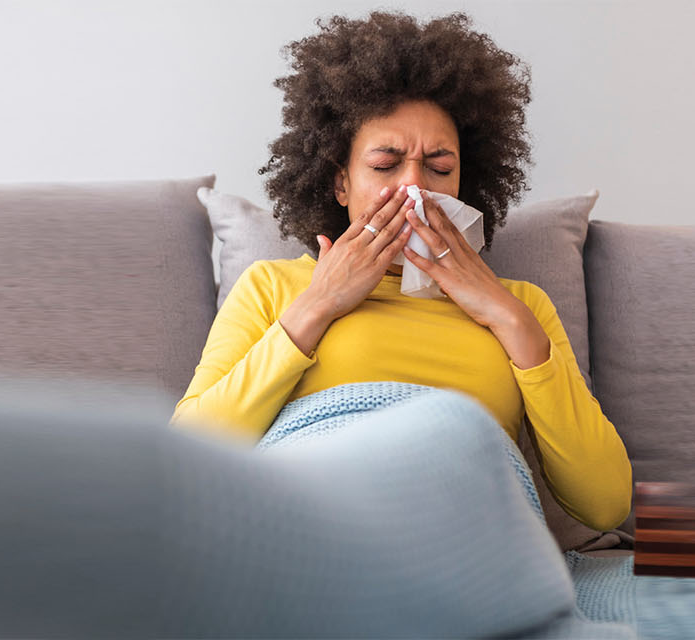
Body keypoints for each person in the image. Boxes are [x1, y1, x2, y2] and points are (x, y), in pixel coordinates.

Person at [171, 11, 631, 533]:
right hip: (317, 524)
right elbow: (187, 460)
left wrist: (508, 317)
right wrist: (319, 305)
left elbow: (606, 503)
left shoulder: (522, 307)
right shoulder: (274, 287)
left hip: (467, 533)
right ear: (341, 184)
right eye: (386, 165)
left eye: (438, 168)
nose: (414, 188)